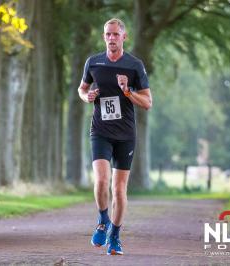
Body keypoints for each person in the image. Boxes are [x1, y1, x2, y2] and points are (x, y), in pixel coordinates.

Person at [78, 18, 152, 255]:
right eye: (107, 34)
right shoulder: (93, 62)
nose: (111, 38)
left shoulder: (134, 65)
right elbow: (82, 89)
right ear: (104, 37)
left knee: (119, 190)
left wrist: (128, 91)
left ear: (124, 37)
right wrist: (87, 96)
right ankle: (102, 220)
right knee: (101, 180)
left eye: (115, 35)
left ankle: (115, 237)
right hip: (100, 131)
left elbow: (148, 103)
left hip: (125, 135)